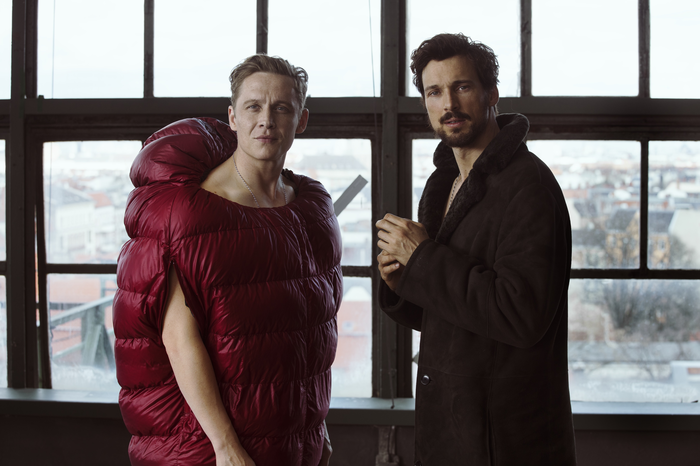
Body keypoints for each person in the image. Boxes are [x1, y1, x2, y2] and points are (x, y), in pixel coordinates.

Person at [113, 54, 342, 466]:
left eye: (281, 108)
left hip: (291, 440)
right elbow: (179, 339)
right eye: (253, 107)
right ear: (233, 117)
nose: (266, 120)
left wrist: (315, 425)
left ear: (302, 120)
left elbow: (310, 328)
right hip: (213, 446)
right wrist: (225, 446)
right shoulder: (193, 211)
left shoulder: (311, 208)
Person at [376, 33, 576, 465]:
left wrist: (423, 259)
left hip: (506, 441)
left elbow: (520, 315)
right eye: (434, 91)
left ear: (492, 94)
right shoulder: (444, 183)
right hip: (450, 432)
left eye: (462, 86)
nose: (448, 103)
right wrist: (402, 281)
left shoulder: (530, 187)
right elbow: (454, 315)